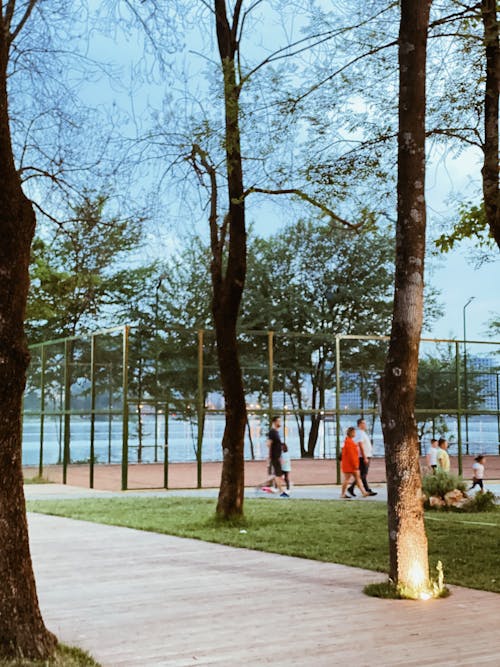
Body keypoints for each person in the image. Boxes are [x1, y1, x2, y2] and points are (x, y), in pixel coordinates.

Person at [348, 418, 377, 497]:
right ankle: (357, 488)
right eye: (364, 423)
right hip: (363, 456)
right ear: (360, 424)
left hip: (365, 455)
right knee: (363, 474)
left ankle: (362, 489)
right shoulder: (360, 433)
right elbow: (360, 444)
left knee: (362, 474)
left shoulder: (361, 433)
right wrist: (364, 457)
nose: (365, 425)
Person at [340, 427, 369, 499]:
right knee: (347, 479)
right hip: (350, 465)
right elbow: (351, 455)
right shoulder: (349, 443)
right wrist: (355, 465)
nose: (355, 434)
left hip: (351, 465)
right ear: (351, 433)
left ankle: (363, 492)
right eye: (354, 432)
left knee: (357, 478)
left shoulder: (349, 442)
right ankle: (343, 494)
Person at [266, 416, 288, 497]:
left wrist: (280, 456)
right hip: (275, 457)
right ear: (274, 422)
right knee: (278, 474)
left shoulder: (276, 432)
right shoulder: (272, 432)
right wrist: (270, 456)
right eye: (278, 421)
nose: (280, 423)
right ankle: (281, 491)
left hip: (277, 456)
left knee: (277, 474)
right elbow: (268, 444)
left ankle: (272, 487)